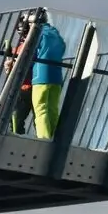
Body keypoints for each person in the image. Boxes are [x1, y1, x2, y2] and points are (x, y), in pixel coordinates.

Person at [29, 11, 66, 139]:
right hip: (56, 76)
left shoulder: (38, 33)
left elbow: (30, 52)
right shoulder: (55, 33)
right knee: (53, 110)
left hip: (40, 76)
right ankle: (55, 136)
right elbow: (62, 47)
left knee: (41, 110)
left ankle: (43, 138)